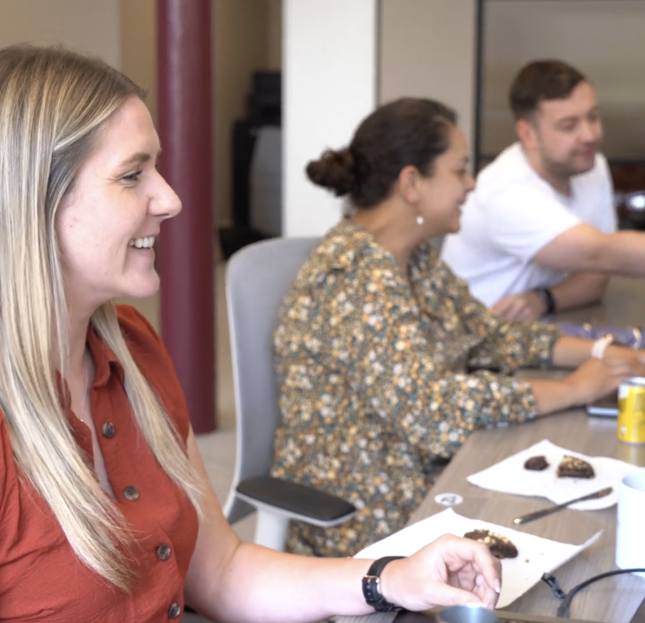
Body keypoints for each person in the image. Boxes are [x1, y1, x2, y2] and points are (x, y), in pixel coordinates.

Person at [0, 45, 504, 622]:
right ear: (31, 200)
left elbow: (221, 570)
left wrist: (388, 577)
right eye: (133, 174)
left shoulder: (131, 348)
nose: (171, 199)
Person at [271, 97, 645, 559]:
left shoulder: (412, 257)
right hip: (373, 509)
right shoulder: (356, 276)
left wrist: (603, 354)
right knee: (589, 530)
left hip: (429, 469)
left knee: (596, 507)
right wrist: (572, 389)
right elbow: (432, 414)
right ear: (411, 184)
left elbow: (491, 336)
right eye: (459, 170)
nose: (471, 183)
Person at [441, 59, 645, 322]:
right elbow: (601, 254)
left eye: (593, 117)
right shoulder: (504, 191)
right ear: (528, 134)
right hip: (469, 337)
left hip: (533, 331)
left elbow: (598, 274)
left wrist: (545, 299)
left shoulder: (590, 166)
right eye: (569, 125)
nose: (589, 135)